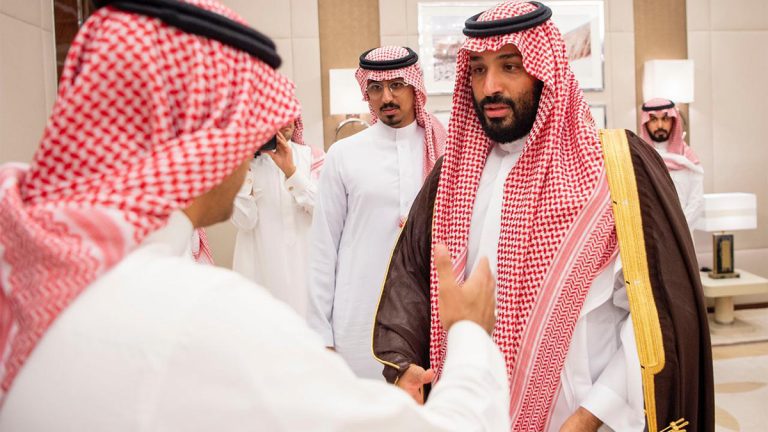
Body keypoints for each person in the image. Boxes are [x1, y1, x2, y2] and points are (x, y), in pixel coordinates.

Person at [0, 1, 511, 430]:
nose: (254, 150)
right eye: (249, 130)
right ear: (208, 135)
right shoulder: (205, 314)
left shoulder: (32, 268)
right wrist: (469, 334)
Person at [372, 1, 714, 431]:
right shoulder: (454, 174)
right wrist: (405, 363)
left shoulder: (616, 166)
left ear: (544, 71)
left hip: (583, 418)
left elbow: (654, 312)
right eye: (478, 69)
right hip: (475, 411)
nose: (490, 86)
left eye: (510, 66)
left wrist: (591, 415)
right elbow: (411, 277)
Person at [307, 45, 446, 379]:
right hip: (357, 316)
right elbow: (323, 247)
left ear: (415, 87)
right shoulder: (344, 154)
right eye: (376, 88)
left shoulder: (445, 148)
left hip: (425, 314)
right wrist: (320, 335)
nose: (387, 96)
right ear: (366, 93)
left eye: (397, 85)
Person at [231, 115, 324, 317]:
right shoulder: (244, 164)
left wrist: (291, 172)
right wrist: (244, 168)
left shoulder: (313, 157)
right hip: (260, 274)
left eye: (290, 113)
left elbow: (324, 212)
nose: (286, 120)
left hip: (304, 272)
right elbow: (244, 221)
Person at [640, 98, 704, 231]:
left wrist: (678, 230)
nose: (660, 125)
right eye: (653, 119)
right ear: (646, 123)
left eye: (665, 119)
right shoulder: (640, 158)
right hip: (650, 233)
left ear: (674, 121)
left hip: (683, 233)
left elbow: (696, 202)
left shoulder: (688, 159)